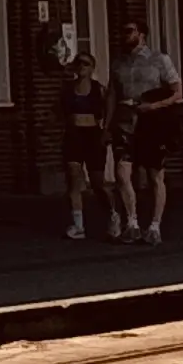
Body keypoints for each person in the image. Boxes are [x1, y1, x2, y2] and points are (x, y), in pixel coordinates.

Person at [112, 17, 183, 245]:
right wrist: (107, 124)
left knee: (155, 175)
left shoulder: (159, 59)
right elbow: (112, 94)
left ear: (141, 34)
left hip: (151, 124)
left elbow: (177, 92)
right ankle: (131, 223)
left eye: (129, 31)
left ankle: (154, 226)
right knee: (121, 173)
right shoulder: (118, 63)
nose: (124, 35)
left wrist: (153, 106)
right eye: (123, 31)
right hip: (125, 123)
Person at [63, 53, 114, 240]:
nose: (81, 66)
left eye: (86, 63)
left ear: (92, 68)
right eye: (79, 63)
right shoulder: (68, 89)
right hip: (73, 135)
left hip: (92, 135)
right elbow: (59, 110)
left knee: (97, 183)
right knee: (74, 177)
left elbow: (109, 109)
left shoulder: (99, 89)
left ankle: (113, 214)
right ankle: (78, 225)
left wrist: (106, 130)